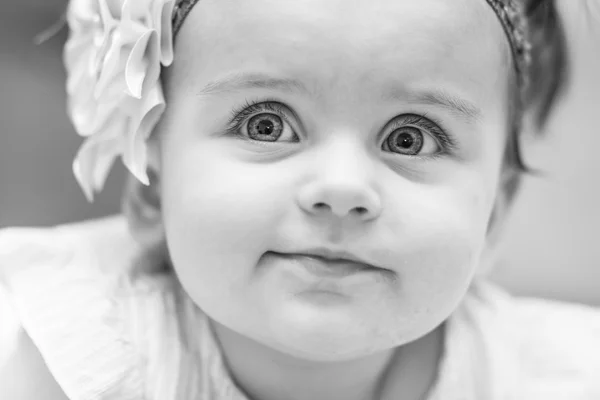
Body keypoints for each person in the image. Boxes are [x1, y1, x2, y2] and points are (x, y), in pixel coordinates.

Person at [1, 0, 599, 399]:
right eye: (266, 125)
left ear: (493, 214)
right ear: (153, 188)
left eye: (409, 137)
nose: (341, 188)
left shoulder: (550, 377)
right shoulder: (85, 357)